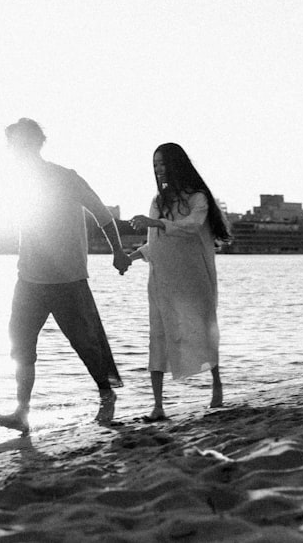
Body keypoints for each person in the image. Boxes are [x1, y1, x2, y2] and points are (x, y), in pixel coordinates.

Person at [0, 118, 132, 435]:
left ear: (36, 143)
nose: (15, 150)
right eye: (12, 144)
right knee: (20, 342)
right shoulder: (15, 181)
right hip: (28, 278)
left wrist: (119, 252)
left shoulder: (65, 177)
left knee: (85, 342)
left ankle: (106, 393)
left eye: (20, 143)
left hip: (67, 278)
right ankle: (21, 412)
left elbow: (102, 213)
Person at [129, 142, 230, 421]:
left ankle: (216, 386)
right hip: (162, 281)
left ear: (176, 165)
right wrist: (133, 256)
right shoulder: (158, 202)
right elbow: (158, 244)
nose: (159, 170)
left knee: (203, 329)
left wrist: (158, 224)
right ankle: (158, 406)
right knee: (158, 334)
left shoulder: (198, 198)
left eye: (163, 164)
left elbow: (191, 228)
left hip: (193, 278)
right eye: (155, 165)